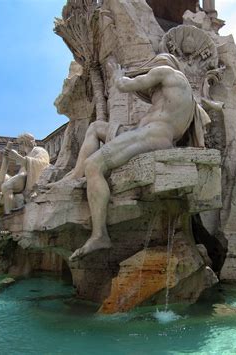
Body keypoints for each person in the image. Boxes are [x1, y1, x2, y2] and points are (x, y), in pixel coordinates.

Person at [63, 53, 211, 261]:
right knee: (96, 127)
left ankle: (99, 235)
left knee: (94, 165)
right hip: (146, 133)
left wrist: (117, 75)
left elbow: (126, 85)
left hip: (152, 135)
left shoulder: (166, 71)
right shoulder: (184, 99)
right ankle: (75, 177)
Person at [0, 133, 50, 214]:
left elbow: (42, 164)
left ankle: (8, 212)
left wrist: (18, 157)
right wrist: (8, 157)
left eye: (20, 143)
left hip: (26, 180)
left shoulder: (39, 150)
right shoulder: (26, 154)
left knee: (6, 185)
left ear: (25, 142)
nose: (19, 146)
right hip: (18, 178)